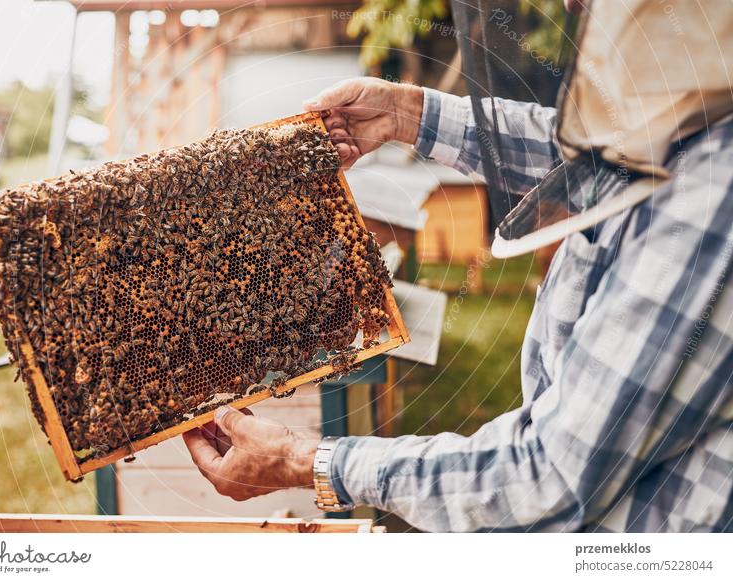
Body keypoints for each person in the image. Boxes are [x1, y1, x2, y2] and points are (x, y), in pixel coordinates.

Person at [183, 6, 733, 532]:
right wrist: (407, 114)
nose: (572, 4)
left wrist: (305, 460)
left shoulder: (711, 203)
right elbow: (595, 159)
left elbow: (547, 480)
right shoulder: (692, 121)